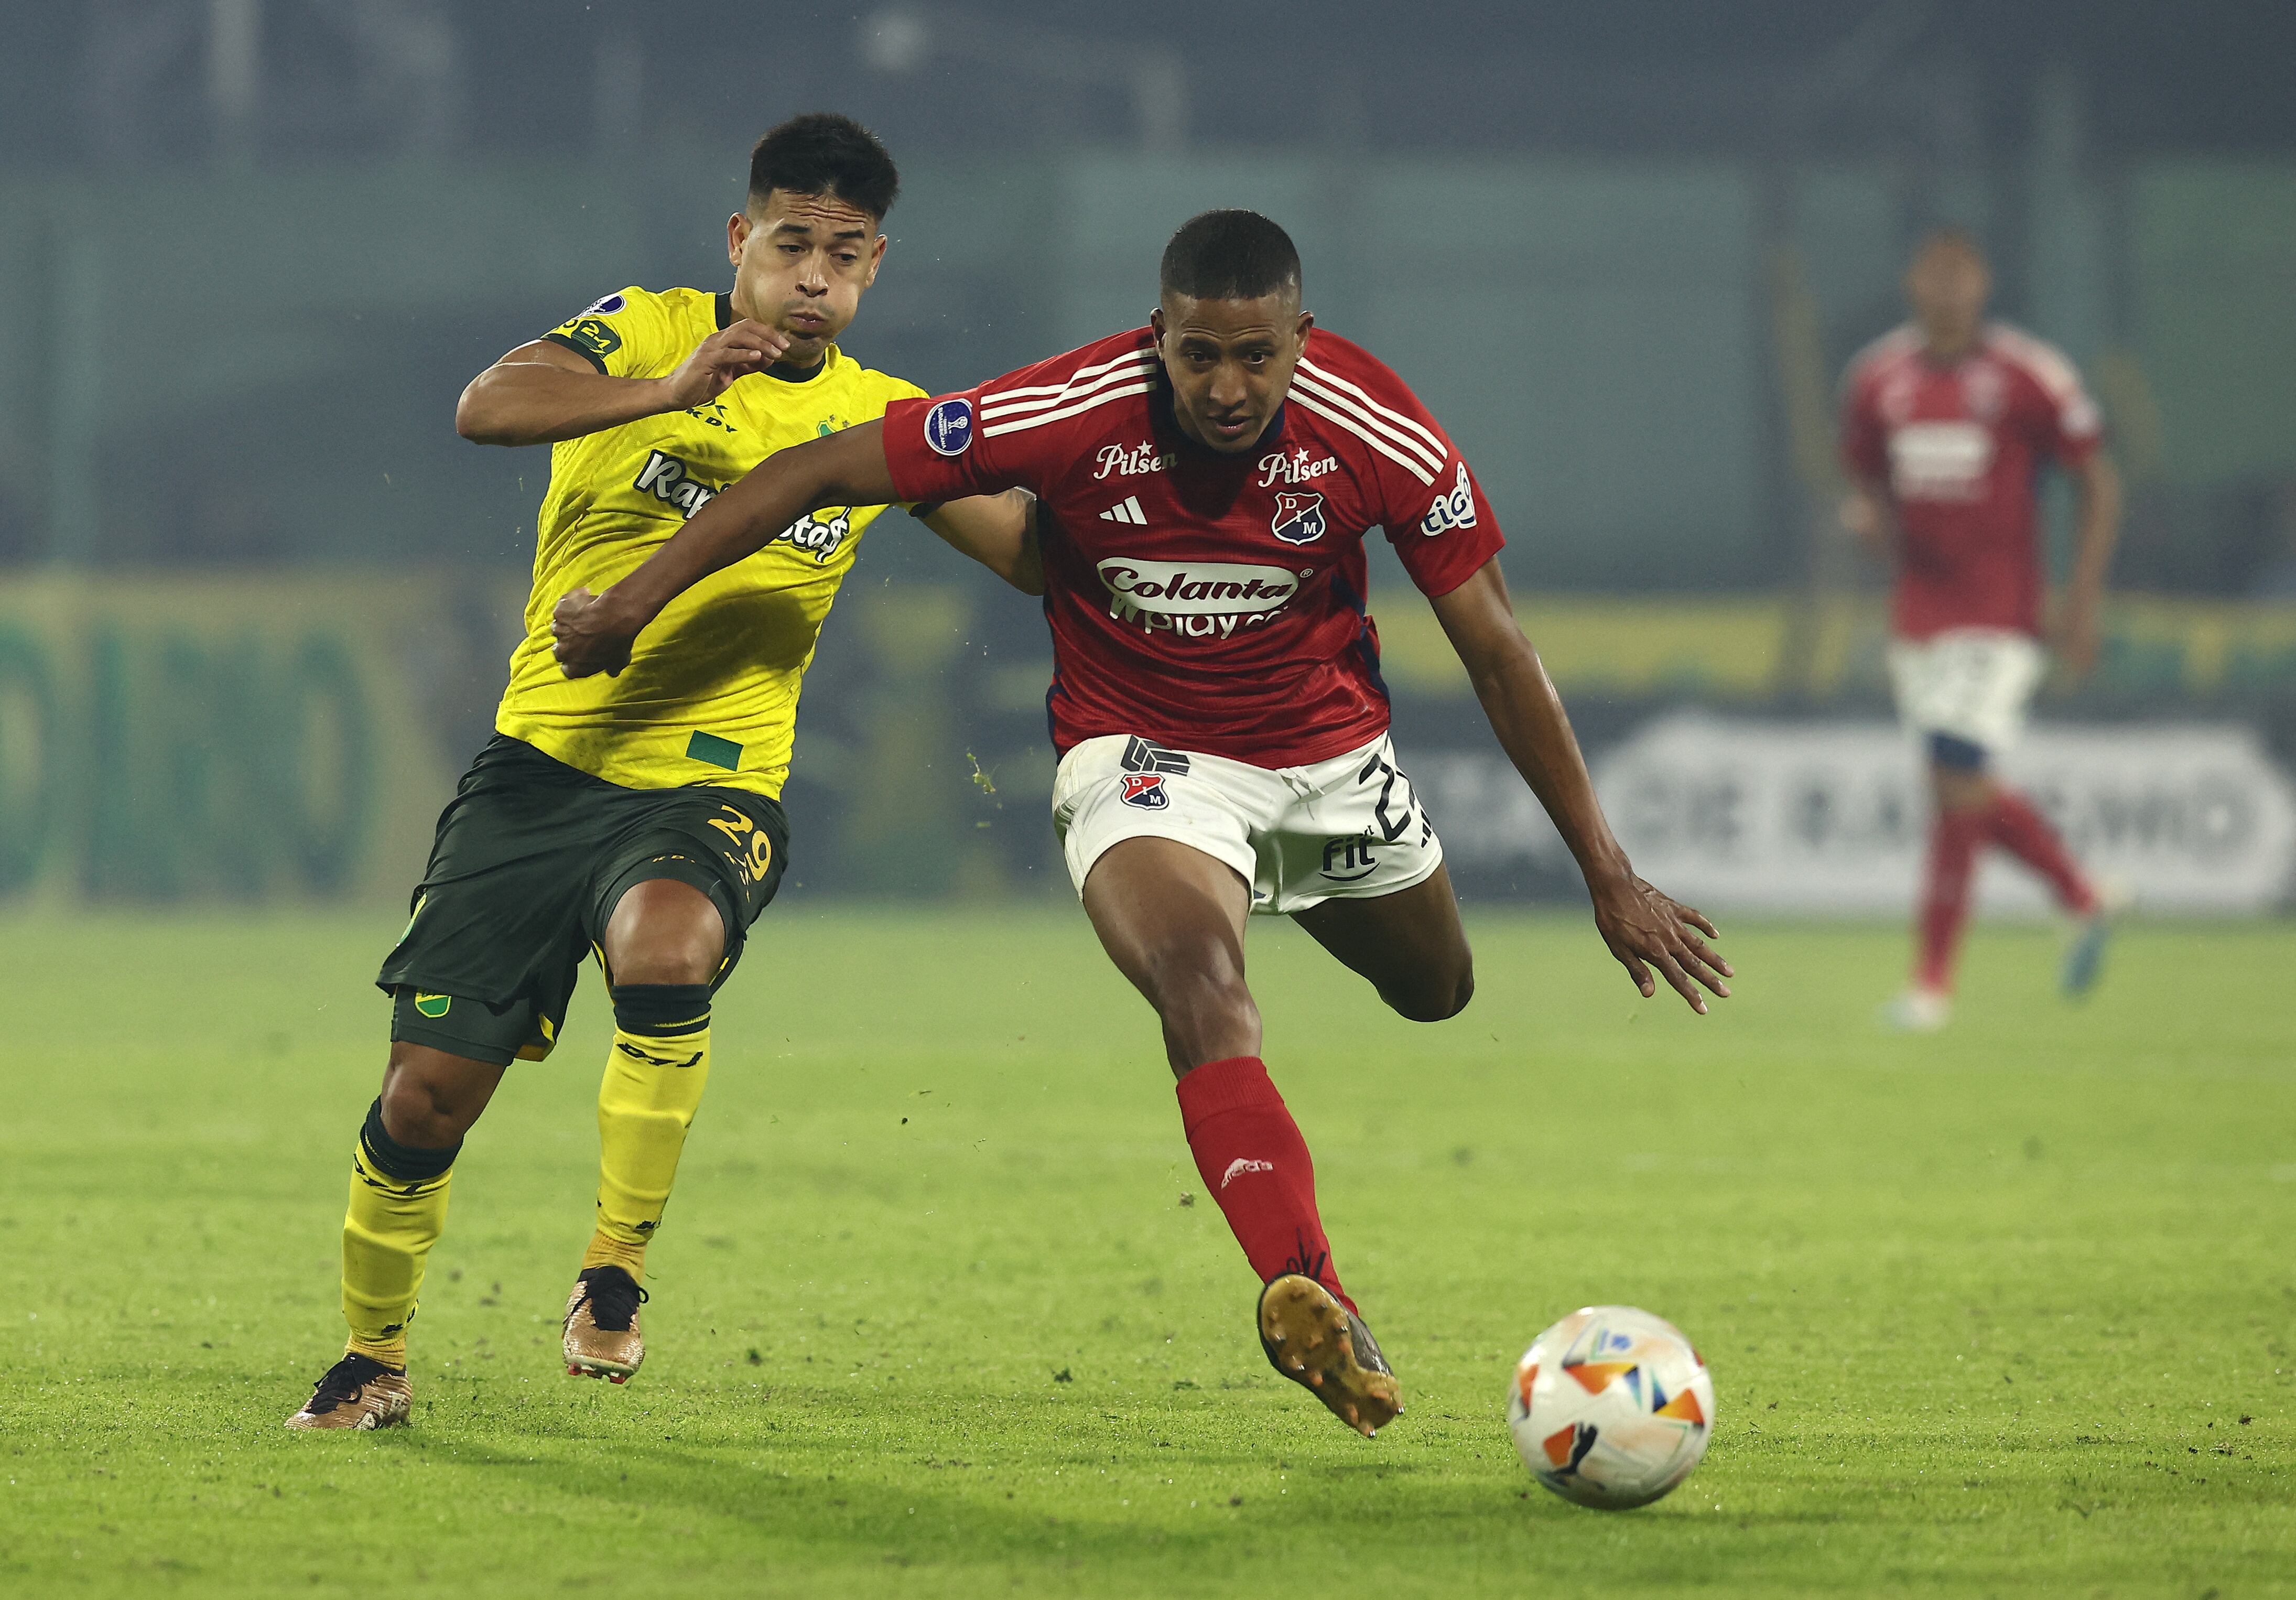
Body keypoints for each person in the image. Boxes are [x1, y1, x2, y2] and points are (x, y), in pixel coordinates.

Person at [551, 209, 1729, 1439]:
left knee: (1439, 987)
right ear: (1156, 335)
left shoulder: (1377, 425)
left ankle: (1296, 986)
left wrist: (1609, 871)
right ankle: (1307, 1287)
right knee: (1200, 984)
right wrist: (634, 599)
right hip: (1145, 761)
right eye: (1200, 355)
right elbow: (815, 469)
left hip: (1329, 761)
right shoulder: (1066, 407)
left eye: (1258, 356)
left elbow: (1496, 647)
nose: (1229, 386)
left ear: (1301, 339)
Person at [285, 114, 1039, 1430]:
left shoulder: (880, 418)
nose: (815, 277)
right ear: (742, 240)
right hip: (537, 774)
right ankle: (372, 1357)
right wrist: (668, 391)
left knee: (669, 946)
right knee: (424, 1095)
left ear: (875, 268)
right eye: (793, 244)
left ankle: (614, 1270)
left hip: (712, 786)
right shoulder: (643, 329)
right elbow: (484, 406)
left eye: (846, 255)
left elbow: (1030, 553)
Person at [1840, 229, 2123, 1034]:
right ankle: (2079, 893)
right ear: (1912, 283)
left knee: (1957, 775)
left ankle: (1932, 986)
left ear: (1985, 284)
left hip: (2001, 612)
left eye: (1962, 275)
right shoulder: (1877, 381)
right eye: (1935, 274)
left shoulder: (2028, 375)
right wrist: (1870, 524)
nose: (1949, 289)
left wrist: (2084, 598)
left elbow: (2098, 483)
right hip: (1920, 613)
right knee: (1955, 792)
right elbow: (1865, 480)